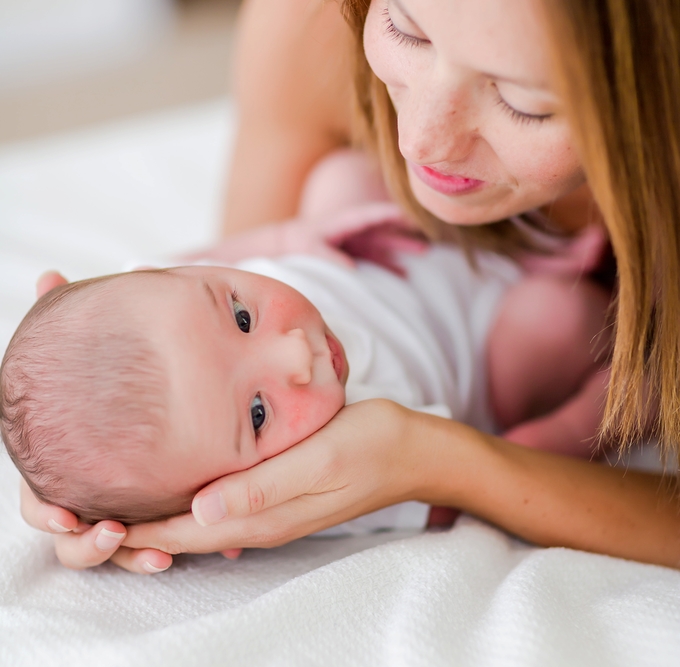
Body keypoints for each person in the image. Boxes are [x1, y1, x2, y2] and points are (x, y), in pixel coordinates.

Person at [21, 0, 680, 572]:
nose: (425, 143)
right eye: (404, 27)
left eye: (525, 102)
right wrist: (104, 475)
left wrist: (441, 460)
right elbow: (220, 298)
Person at [2, 153, 609, 538]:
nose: (296, 353)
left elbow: (200, 261)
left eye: (241, 315)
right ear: (227, 494)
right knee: (558, 318)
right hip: (481, 342)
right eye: (258, 414)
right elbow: (449, 496)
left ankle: (511, 235)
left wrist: (297, 235)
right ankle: (598, 391)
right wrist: (585, 421)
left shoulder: (165, 305)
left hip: (387, 257)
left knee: (341, 178)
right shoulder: (330, 477)